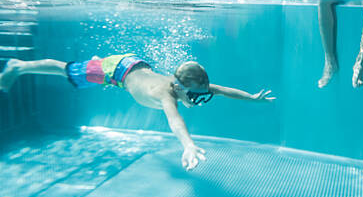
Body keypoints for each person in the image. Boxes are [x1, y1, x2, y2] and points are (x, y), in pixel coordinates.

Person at [0, 53, 274, 170]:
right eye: (194, 92)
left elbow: (222, 89)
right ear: (179, 86)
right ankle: (18, 66)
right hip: (116, 71)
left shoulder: (184, 84)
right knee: (68, 71)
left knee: (78, 71)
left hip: (134, 65)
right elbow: (175, 121)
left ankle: (95, 62)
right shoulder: (167, 93)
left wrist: (252, 98)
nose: (200, 94)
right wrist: (188, 145)